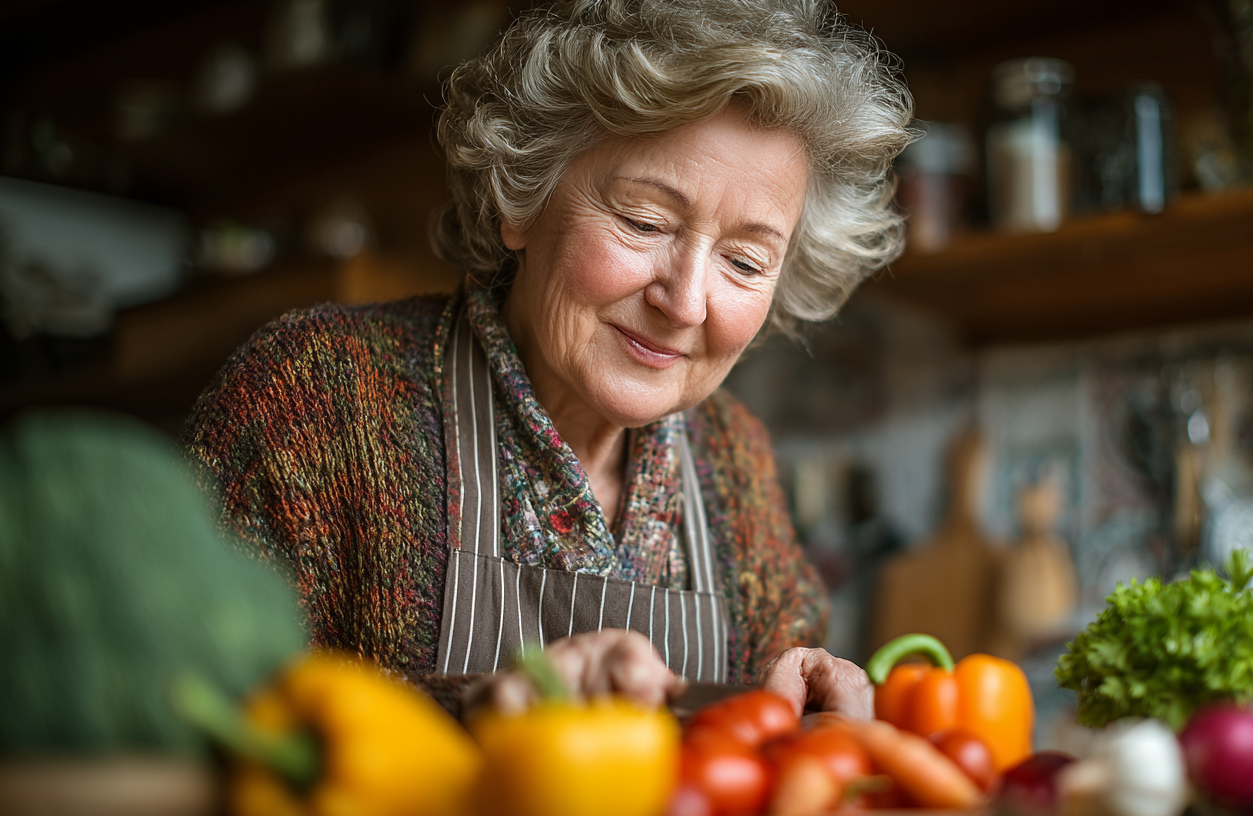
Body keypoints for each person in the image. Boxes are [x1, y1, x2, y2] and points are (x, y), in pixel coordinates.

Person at [182, 0, 912, 719]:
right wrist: (476, 712)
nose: (686, 302)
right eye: (643, 221)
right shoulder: (315, 395)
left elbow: (773, 742)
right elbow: (174, 719)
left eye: (746, 262)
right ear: (521, 198)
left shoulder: (735, 460)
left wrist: (814, 705)